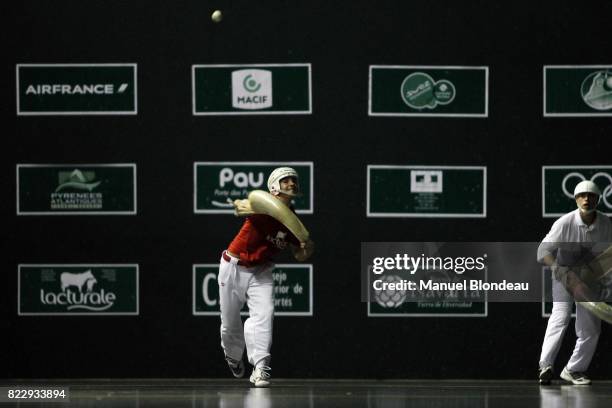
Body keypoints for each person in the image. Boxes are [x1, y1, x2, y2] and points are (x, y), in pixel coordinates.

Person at [218, 167, 314, 387]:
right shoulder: (261, 205)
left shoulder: (294, 224)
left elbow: (300, 254)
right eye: (286, 180)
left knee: (264, 315)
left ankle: (260, 368)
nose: (292, 183)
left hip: (261, 271)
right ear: (274, 186)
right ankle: (232, 356)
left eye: (294, 181)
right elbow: (243, 205)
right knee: (230, 323)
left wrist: (305, 248)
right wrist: (242, 205)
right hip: (233, 266)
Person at [537, 180, 612, 385]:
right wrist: (560, 272)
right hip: (564, 276)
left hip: (589, 279)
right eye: (582, 195)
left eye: (591, 195)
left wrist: (602, 281)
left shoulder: (606, 224)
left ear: (598, 198)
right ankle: (546, 366)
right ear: (576, 199)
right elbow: (542, 251)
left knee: (590, 327)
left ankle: (573, 369)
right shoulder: (564, 222)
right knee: (560, 317)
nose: (586, 199)